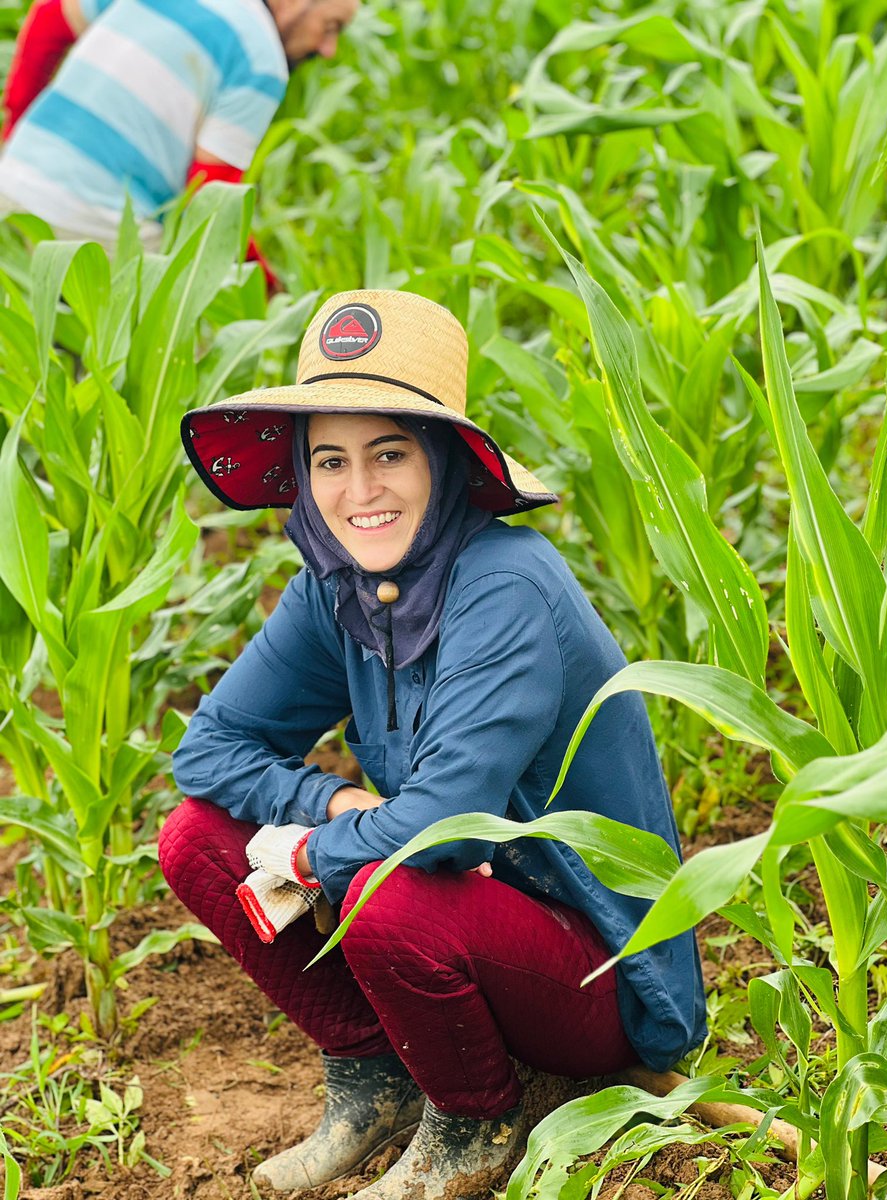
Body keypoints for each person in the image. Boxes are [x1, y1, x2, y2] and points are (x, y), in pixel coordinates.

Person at [159, 289, 707, 1198]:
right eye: (329, 459)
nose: (358, 491)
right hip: (460, 914)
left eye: (389, 453)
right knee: (195, 837)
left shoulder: (504, 587)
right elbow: (209, 749)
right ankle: (377, 1077)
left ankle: (476, 1122)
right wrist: (332, 804)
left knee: (384, 887)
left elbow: (441, 834)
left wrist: (308, 848)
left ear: (446, 462)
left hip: (592, 967)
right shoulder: (335, 585)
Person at [0, 0, 357, 261]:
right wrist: (263, 280)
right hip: (92, 227)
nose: (329, 49)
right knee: (187, 346)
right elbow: (210, 200)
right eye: (331, 26)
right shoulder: (261, 59)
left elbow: (50, 18)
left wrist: (16, 134)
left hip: (11, 186)